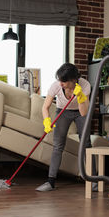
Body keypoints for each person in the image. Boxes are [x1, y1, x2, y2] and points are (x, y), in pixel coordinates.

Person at [36, 63, 97, 192]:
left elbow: (84, 113)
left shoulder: (85, 85)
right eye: (59, 79)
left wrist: (80, 96)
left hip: (80, 112)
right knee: (58, 145)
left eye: (64, 81)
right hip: (62, 111)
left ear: (73, 80)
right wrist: (46, 121)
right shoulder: (56, 86)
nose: (60, 83)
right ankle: (51, 182)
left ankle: (94, 181)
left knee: (86, 144)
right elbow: (45, 107)